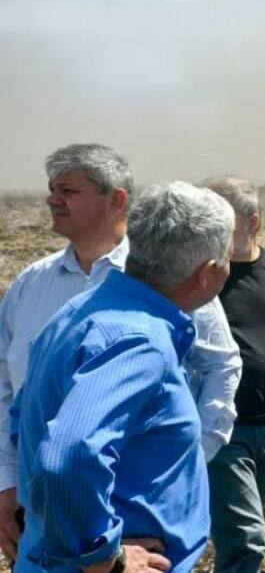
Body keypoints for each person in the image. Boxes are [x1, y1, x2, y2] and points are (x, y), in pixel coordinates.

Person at [0, 144, 241, 564]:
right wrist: (105, 558)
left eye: (68, 190)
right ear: (207, 274)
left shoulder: (77, 312)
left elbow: (25, 418)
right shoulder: (139, 340)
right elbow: (69, 456)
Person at [204, 176, 265, 573]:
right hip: (224, 427)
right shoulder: (200, 275)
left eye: (220, 220)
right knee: (247, 540)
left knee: (241, 537)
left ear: (252, 222)